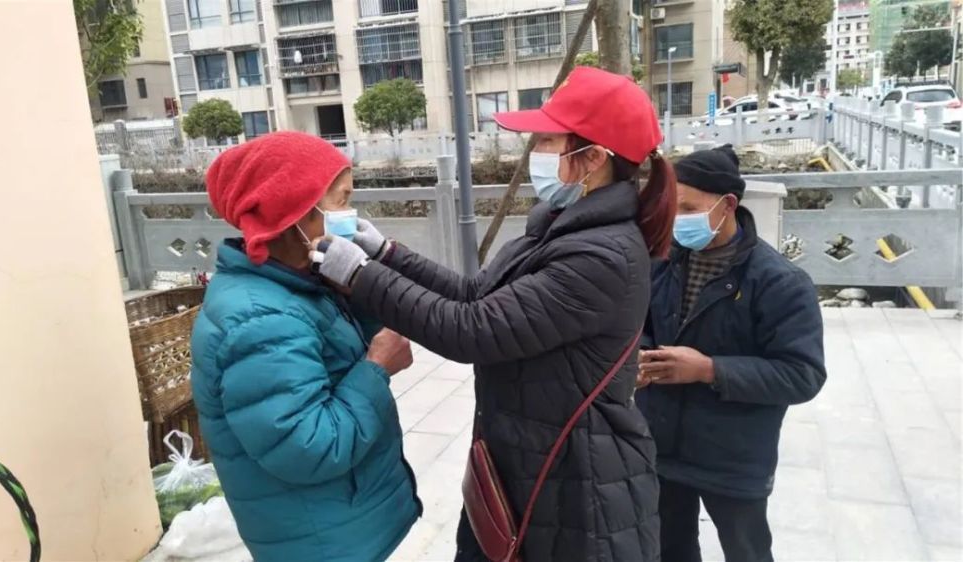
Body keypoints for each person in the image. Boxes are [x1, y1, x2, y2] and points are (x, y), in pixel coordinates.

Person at [310, 66, 677, 562]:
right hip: (531, 458)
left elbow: (472, 331)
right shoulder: (560, 228)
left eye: (547, 141)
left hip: (579, 486)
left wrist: (361, 275)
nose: (534, 153)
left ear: (592, 159)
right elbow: (475, 294)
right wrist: (386, 253)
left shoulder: (600, 256)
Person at [189, 132, 422, 562]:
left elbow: (340, 351)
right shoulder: (261, 319)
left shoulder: (297, 279)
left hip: (338, 522)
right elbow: (309, 446)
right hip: (320, 540)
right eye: (342, 200)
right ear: (295, 211)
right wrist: (376, 368)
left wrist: (361, 289)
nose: (350, 215)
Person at [635, 145, 826, 562]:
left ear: (727, 206)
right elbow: (640, 326)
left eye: (689, 208)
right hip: (662, 446)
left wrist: (709, 370)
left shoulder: (780, 282)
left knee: (746, 550)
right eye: (672, 207)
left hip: (734, 457)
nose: (676, 218)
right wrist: (642, 357)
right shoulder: (662, 261)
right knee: (667, 549)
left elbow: (803, 374)